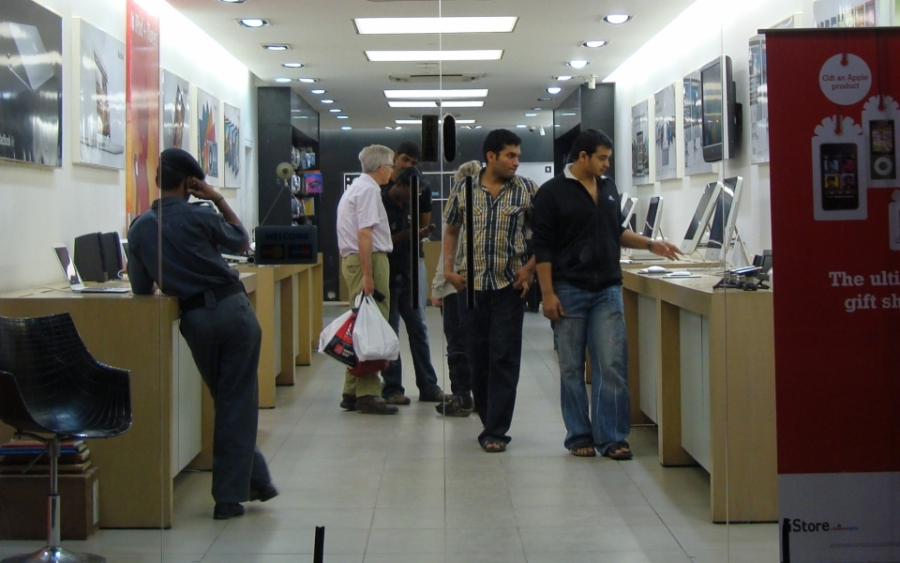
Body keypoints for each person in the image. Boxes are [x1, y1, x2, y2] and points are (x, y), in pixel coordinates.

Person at [127, 148, 277, 520]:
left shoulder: (140, 227)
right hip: (232, 310)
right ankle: (229, 498)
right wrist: (217, 198)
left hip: (195, 319)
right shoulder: (201, 215)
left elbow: (141, 285)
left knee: (227, 401)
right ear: (190, 183)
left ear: (158, 180)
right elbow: (240, 240)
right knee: (236, 402)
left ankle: (256, 479)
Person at [531, 129, 681, 459]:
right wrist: (547, 294)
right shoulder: (552, 193)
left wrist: (652, 244)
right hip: (568, 288)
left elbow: (618, 231)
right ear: (582, 156)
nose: (606, 164)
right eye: (602, 158)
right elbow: (543, 247)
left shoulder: (608, 187)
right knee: (571, 367)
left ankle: (612, 437)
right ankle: (579, 435)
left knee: (611, 364)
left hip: (608, 288)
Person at [442, 129, 539, 452]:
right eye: (510, 155)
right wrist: (448, 271)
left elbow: (546, 234)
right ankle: (488, 419)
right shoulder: (464, 189)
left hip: (509, 286)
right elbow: (451, 230)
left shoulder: (526, 190)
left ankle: (496, 430)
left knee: (504, 358)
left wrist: (530, 268)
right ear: (491, 156)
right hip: (471, 287)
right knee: (477, 358)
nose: (516, 162)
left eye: (518, 156)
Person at [336, 144, 398, 415]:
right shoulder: (370, 191)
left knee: (360, 321)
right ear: (382, 168)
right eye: (392, 166)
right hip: (369, 259)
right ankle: (368, 392)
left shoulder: (355, 188)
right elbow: (365, 233)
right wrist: (369, 275)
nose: (393, 171)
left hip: (353, 260)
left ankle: (351, 389)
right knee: (372, 324)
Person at [380, 166, 448, 404]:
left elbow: (409, 233)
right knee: (390, 332)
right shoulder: (380, 202)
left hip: (409, 273)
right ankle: (392, 388)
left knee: (418, 329)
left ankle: (428, 386)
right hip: (387, 275)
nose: (414, 198)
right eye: (412, 192)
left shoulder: (410, 204)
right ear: (399, 185)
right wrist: (405, 235)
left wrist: (418, 234)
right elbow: (377, 240)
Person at [431, 160, 482, 417]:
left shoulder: (456, 206)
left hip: (455, 286)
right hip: (483, 286)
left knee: (457, 343)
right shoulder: (486, 207)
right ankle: (481, 396)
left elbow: (447, 254)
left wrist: (437, 286)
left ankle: (462, 396)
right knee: (479, 343)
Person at [381, 141, 432, 309]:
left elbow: (423, 223)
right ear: (395, 156)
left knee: (417, 312)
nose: (408, 165)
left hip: (411, 256)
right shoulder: (381, 185)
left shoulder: (422, 187)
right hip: (385, 257)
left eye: (413, 163)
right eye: (405, 159)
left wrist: (416, 234)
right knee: (389, 313)